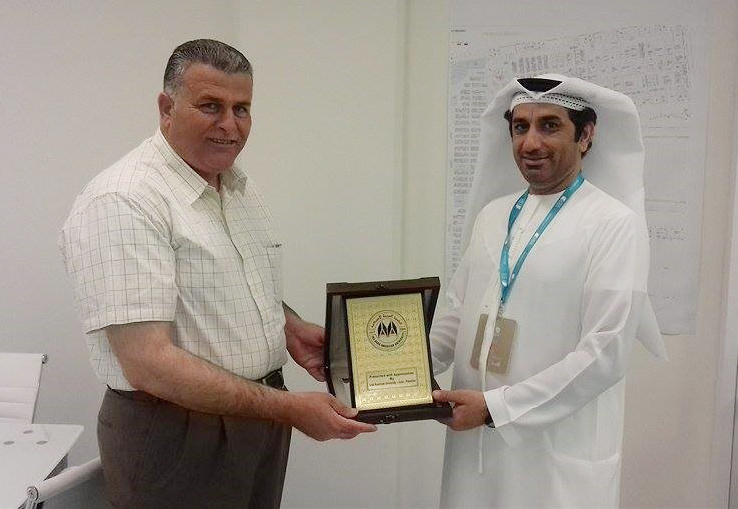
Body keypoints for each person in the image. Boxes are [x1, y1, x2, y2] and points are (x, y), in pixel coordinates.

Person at [59, 39, 375, 508]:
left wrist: (288, 327)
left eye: (241, 108)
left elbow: (231, 279)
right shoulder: (124, 200)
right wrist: (289, 408)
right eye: (211, 106)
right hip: (174, 432)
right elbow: (148, 363)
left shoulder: (237, 186)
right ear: (166, 108)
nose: (229, 125)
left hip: (257, 420)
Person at [430, 74, 667, 508]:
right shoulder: (493, 215)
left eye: (550, 125)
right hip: (473, 452)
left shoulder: (611, 223)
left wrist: (497, 408)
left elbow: (605, 351)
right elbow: (457, 312)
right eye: (521, 127)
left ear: (586, 135)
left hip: (555, 457)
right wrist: (389, 372)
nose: (531, 143)